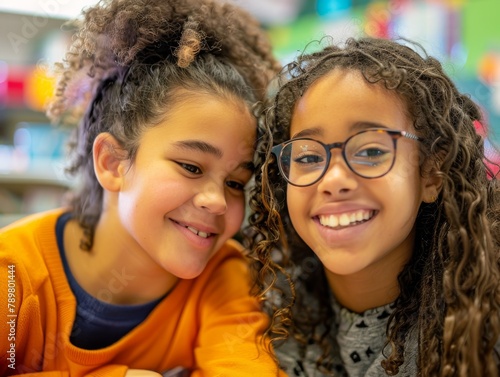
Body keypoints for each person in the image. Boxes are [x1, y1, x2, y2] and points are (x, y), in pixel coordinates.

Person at [0, 0, 285, 376]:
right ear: (113, 163)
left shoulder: (221, 276)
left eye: (235, 183)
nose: (217, 201)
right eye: (191, 166)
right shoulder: (13, 273)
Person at [245, 36, 500, 376]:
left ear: (431, 175)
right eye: (307, 156)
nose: (333, 179)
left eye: (370, 151)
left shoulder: (485, 318)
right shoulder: (263, 311)